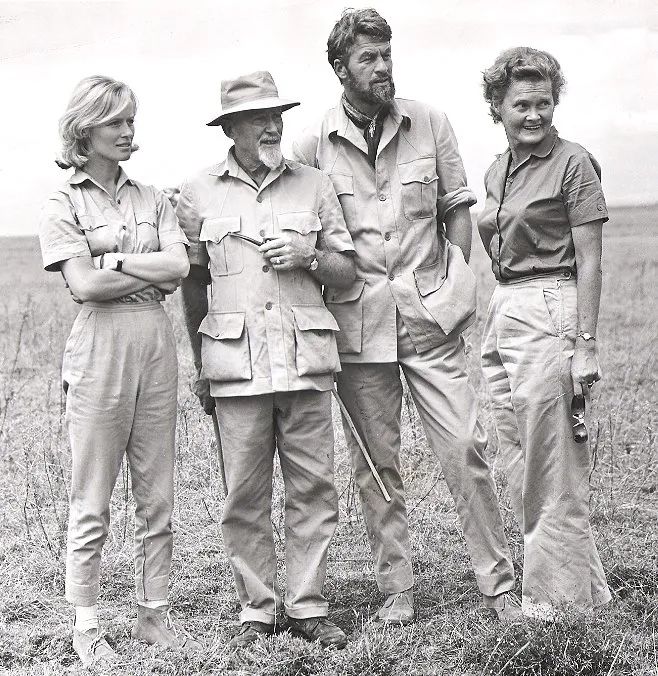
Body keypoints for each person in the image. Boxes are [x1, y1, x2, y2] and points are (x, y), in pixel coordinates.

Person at [293, 9, 519, 624]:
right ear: (340, 68)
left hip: (430, 319)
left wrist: (454, 282)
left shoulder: (431, 122)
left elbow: (457, 209)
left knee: (465, 447)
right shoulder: (311, 143)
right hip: (357, 328)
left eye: (386, 55)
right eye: (367, 58)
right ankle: (397, 588)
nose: (382, 67)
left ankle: (498, 583)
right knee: (375, 466)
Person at [177, 71, 356, 649]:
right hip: (235, 367)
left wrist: (309, 256)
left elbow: (348, 270)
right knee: (243, 496)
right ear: (230, 128)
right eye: (259, 118)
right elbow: (194, 286)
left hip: (306, 362)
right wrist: (201, 365)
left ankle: (307, 605)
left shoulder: (315, 185)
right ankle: (257, 609)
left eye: (277, 115)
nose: (273, 125)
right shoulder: (197, 192)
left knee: (314, 489)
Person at [38, 75, 198, 666]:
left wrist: (117, 259)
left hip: (155, 344)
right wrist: (142, 269)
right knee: (93, 495)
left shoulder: (153, 198)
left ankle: (154, 614)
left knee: (158, 494)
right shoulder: (63, 203)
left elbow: (179, 268)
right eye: (116, 122)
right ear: (85, 130)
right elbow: (84, 284)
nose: (129, 131)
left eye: (132, 120)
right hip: (99, 348)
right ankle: (86, 624)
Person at [478, 47, 611, 619]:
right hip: (505, 307)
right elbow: (492, 234)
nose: (533, 115)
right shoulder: (498, 168)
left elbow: (591, 258)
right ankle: (587, 591)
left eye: (543, 103)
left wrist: (585, 344)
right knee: (518, 453)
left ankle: (556, 605)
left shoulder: (573, 162)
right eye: (520, 105)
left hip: (552, 304)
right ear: (497, 107)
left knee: (552, 459)